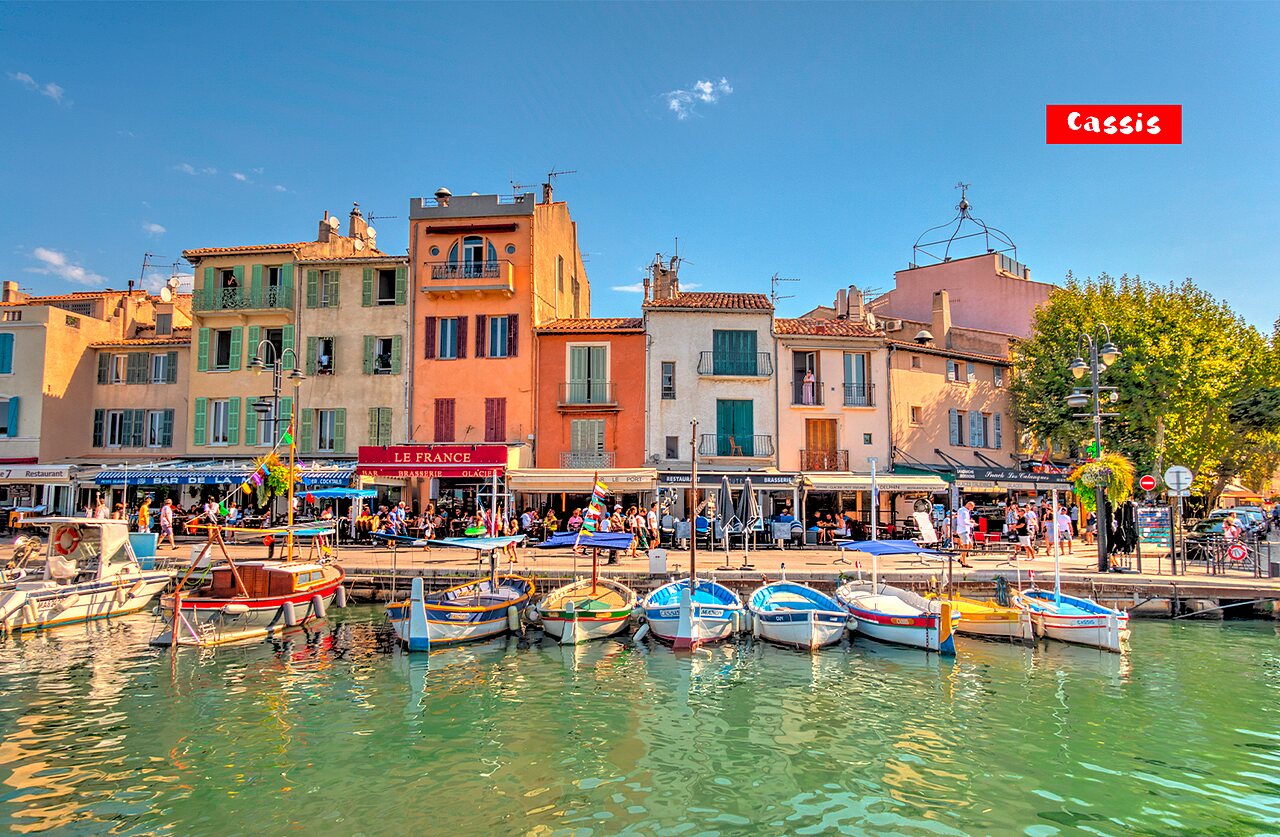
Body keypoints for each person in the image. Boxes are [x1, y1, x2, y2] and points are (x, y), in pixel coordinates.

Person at [955, 500, 975, 567]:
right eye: (972, 508)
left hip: (963, 530)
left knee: (970, 545)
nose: (972, 509)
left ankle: (961, 558)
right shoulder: (964, 511)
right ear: (969, 505)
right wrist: (972, 524)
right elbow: (963, 522)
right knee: (966, 546)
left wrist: (969, 521)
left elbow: (962, 520)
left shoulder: (962, 510)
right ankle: (963, 562)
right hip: (963, 530)